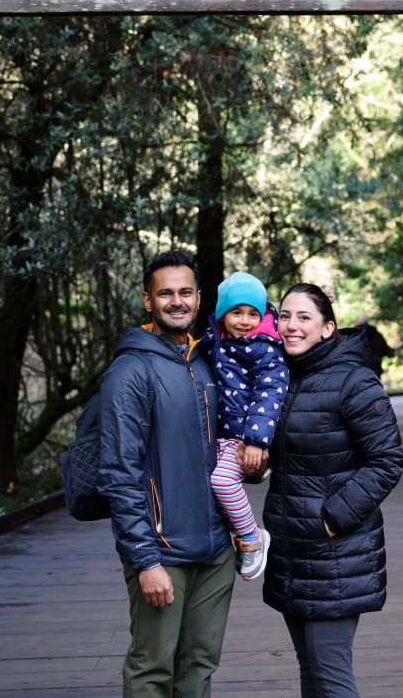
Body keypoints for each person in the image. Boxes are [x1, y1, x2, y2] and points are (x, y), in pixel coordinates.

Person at [97, 250, 235, 697]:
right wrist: (145, 558)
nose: (177, 301)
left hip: (216, 549)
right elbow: (119, 471)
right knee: (152, 668)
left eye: (185, 292)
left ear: (199, 299)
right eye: (165, 293)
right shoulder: (130, 370)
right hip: (162, 550)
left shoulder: (206, 361)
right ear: (147, 300)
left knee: (198, 667)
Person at [261, 283, 403, 698]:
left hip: (335, 554)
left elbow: (387, 460)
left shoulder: (354, 380)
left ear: (327, 328)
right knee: (310, 668)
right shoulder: (280, 379)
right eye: (284, 316)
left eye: (304, 317)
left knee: (331, 673)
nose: (291, 325)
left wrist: (333, 517)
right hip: (290, 551)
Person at [202, 270, 288, 581]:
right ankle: (239, 534)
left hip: (242, 438)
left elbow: (269, 395)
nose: (245, 320)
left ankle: (252, 537)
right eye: (236, 312)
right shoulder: (216, 343)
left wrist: (256, 441)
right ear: (222, 314)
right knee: (208, 486)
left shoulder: (264, 346)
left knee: (222, 483)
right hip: (221, 436)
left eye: (253, 313)